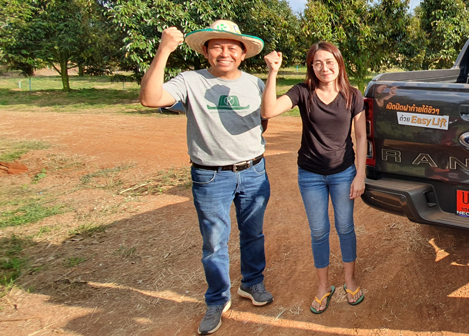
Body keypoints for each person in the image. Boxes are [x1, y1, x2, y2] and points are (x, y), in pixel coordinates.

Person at [138, 20, 273, 335]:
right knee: (214, 242)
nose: (224, 53)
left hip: (253, 171)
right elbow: (150, 98)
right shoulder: (189, 82)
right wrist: (164, 49)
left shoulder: (256, 84)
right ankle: (216, 299)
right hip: (210, 176)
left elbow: (264, 119)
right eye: (216, 46)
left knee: (253, 234)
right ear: (205, 51)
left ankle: (252, 284)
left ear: (242, 54)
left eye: (231, 47)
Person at [260, 41, 367, 314]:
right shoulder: (302, 92)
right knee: (319, 231)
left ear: (339, 63)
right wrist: (272, 72)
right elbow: (268, 111)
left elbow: (361, 137)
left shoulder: (353, 95)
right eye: (317, 63)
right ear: (311, 66)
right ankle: (323, 287)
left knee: (345, 228)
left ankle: (349, 281)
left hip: (344, 173)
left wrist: (360, 175)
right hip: (310, 175)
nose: (324, 68)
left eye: (329, 62)